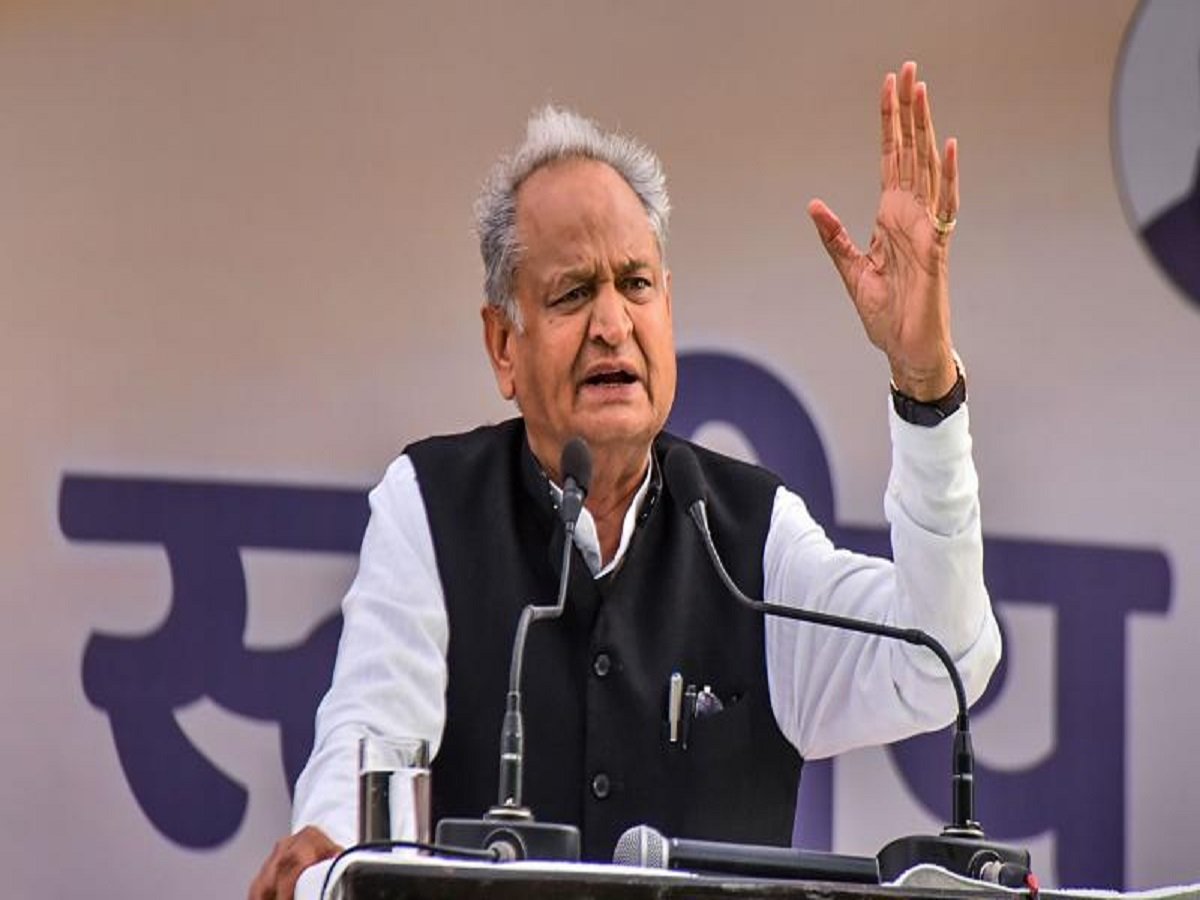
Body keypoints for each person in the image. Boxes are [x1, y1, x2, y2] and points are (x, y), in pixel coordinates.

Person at [249, 60, 1001, 900]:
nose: (613, 324)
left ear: (667, 309)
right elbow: (368, 737)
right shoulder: (430, 505)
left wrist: (925, 382)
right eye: (573, 294)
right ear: (503, 345)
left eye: (636, 284)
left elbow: (945, 660)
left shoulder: (752, 534)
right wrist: (332, 854)